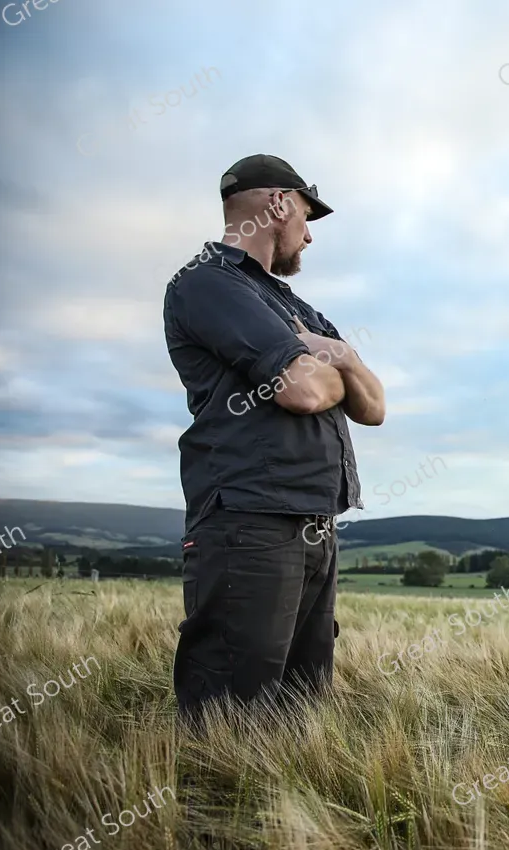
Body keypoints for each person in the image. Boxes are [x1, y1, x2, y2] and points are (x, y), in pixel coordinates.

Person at [162, 154, 385, 725]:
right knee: (233, 718)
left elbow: (374, 407)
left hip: (317, 521)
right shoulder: (208, 283)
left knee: (301, 710)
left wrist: (341, 355)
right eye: (307, 216)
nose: (309, 236)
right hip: (250, 522)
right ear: (279, 204)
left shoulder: (296, 306)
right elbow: (301, 391)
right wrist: (334, 369)